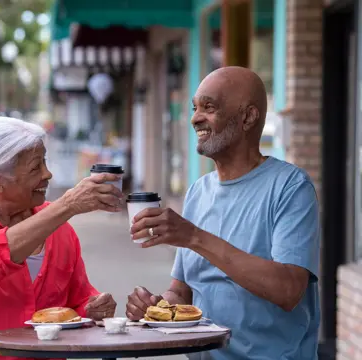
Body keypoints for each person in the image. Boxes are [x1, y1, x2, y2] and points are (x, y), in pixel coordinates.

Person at [126, 67, 320, 360]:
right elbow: (182, 293)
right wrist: (156, 307)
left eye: (209, 107)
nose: (195, 118)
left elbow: (289, 289)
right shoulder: (198, 191)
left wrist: (193, 237)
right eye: (194, 108)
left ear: (247, 117)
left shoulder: (290, 187)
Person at [0, 117, 122, 360]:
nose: (48, 174)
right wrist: (67, 205)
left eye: (44, 162)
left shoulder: (59, 229)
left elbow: (76, 300)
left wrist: (92, 308)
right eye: (35, 167)